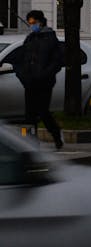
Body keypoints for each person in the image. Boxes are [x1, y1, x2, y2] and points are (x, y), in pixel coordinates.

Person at [12, 10, 64, 149]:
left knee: (43, 111)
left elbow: (57, 61)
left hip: (45, 83)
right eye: (29, 23)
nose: (31, 25)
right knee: (29, 115)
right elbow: (21, 59)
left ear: (41, 22)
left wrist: (45, 74)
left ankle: (56, 135)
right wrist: (22, 75)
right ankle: (31, 143)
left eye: (33, 23)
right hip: (30, 83)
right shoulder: (30, 39)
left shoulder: (50, 39)